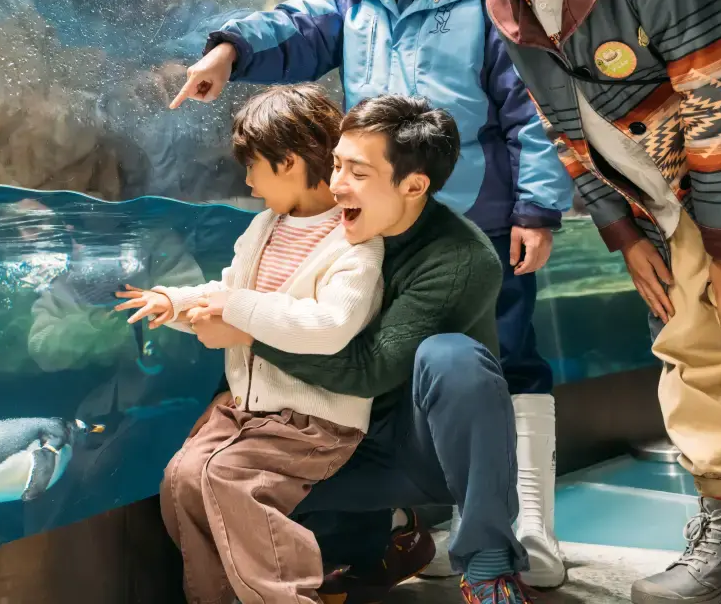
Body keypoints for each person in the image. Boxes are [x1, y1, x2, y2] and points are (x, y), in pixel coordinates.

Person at [167, 0, 573, 589]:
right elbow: (294, 26)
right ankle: (405, 529)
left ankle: (527, 529)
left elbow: (530, 104)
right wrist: (228, 50)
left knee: (503, 363)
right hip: (379, 221)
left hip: (476, 213)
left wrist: (538, 205)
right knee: (389, 376)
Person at [435, 0, 721, 604]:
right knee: (689, 350)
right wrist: (624, 234)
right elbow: (562, 130)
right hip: (667, 199)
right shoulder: (509, 1)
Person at [183, 94, 536, 604]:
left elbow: (370, 368)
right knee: (212, 476)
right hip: (322, 433)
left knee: (452, 358)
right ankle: (381, 538)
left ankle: (487, 565)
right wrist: (228, 397)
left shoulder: (460, 258)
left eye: (358, 172)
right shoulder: (311, 225)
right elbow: (273, 308)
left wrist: (246, 332)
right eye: (336, 165)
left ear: (413, 186)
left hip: (411, 451)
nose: (336, 184)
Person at [113, 84, 387, 604]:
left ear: (288, 162)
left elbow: (330, 325)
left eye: (253, 166)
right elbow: (228, 291)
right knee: (181, 479)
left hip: (314, 421)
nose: (247, 181)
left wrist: (234, 307)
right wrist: (174, 302)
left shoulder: (353, 241)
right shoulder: (264, 227)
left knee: (226, 480)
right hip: (247, 410)